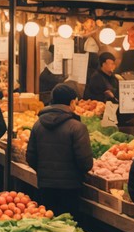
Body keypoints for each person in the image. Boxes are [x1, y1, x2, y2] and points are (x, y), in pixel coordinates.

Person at [25, 84, 94, 219]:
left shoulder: (38, 124)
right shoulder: (77, 127)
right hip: (70, 188)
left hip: (45, 185)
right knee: (68, 226)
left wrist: (44, 172)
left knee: (48, 223)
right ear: (71, 102)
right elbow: (85, 163)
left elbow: (30, 157)